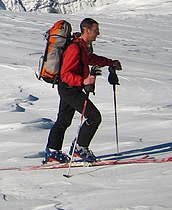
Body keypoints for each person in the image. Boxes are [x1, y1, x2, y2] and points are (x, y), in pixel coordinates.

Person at [44, 18, 122, 163]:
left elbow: (90, 59)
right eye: (95, 30)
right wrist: (83, 81)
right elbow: (65, 75)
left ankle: (53, 152)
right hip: (70, 89)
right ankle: (80, 148)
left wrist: (110, 62)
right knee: (94, 117)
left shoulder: (81, 47)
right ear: (86, 30)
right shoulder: (75, 48)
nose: (98, 33)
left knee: (63, 120)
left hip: (69, 88)